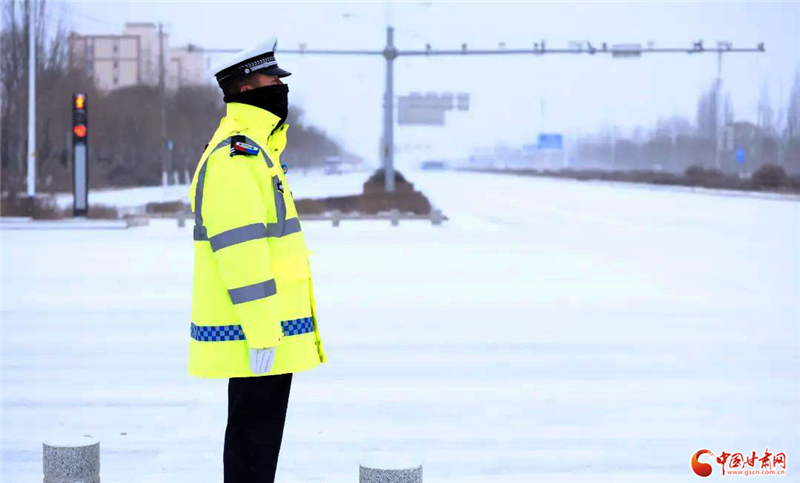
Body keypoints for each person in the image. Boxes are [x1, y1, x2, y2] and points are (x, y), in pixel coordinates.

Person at [187, 36, 327, 483]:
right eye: (273, 81)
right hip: (257, 332)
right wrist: (264, 333)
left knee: (257, 444)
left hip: (264, 329)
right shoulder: (238, 156)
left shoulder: (257, 150)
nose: (281, 88)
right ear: (247, 90)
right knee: (252, 447)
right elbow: (240, 253)